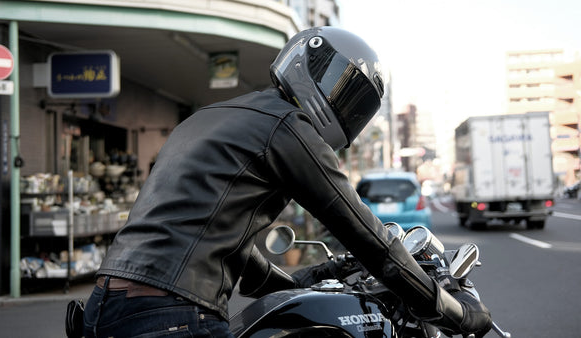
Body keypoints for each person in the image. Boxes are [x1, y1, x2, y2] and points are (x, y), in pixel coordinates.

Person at [82, 26, 491, 337]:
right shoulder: (287, 126)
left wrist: (306, 278)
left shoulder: (213, 116)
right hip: (172, 312)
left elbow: (227, 243)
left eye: (356, 102)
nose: (344, 107)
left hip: (107, 304)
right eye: (341, 88)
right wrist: (450, 310)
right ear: (306, 63)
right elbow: (368, 237)